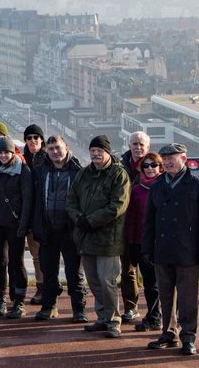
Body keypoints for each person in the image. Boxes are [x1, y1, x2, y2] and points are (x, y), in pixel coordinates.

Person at [143, 143, 199, 356]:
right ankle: (168, 333)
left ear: (184, 159)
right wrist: (147, 248)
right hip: (163, 249)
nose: (167, 162)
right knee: (166, 296)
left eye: (172, 158)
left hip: (188, 250)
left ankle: (188, 337)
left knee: (187, 298)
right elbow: (149, 220)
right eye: (165, 159)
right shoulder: (157, 186)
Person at [67, 135, 131, 338]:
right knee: (93, 280)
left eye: (99, 151)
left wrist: (92, 221)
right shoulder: (83, 173)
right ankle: (102, 316)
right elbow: (71, 200)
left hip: (108, 239)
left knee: (107, 281)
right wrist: (79, 219)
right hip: (85, 236)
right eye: (93, 150)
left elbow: (117, 206)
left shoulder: (119, 174)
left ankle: (113, 320)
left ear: (107, 152)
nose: (95, 154)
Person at [31, 135, 87, 322]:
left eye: (58, 147)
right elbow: (35, 200)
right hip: (48, 230)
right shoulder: (41, 171)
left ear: (66, 147)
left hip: (70, 231)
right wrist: (37, 225)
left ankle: (79, 309)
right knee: (48, 272)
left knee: (74, 273)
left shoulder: (78, 171)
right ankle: (49, 306)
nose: (55, 152)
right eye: (51, 149)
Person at [0, 135, 34, 318]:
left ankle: (19, 302)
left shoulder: (23, 170)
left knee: (17, 263)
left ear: (13, 152)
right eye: (0, 152)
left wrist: (23, 224)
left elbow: (28, 199)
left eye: (7, 152)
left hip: (15, 224)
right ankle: (1, 300)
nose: (3, 155)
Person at [121, 151, 163, 331]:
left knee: (162, 284)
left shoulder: (164, 186)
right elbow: (131, 218)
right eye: (145, 165)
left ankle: (163, 318)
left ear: (160, 167)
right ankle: (154, 316)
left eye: (153, 165)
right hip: (141, 243)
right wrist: (131, 243)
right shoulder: (137, 189)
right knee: (149, 284)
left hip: (161, 243)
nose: (150, 168)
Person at [22, 123, 48, 303]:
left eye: (36, 137)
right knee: (36, 255)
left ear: (41, 139)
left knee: (48, 254)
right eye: (29, 138)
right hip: (29, 215)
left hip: (46, 215)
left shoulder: (48, 158)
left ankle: (49, 287)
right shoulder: (22, 160)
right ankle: (41, 287)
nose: (32, 141)